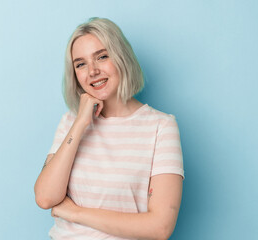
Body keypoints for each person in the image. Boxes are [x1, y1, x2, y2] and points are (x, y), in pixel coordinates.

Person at [34, 17, 184, 240]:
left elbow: (159, 227)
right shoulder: (70, 122)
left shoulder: (161, 127)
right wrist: (81, 122)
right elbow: (45, 197)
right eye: (80, 64)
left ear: (122, 57)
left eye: (102, 57)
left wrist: (76, 213)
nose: (92, 71)